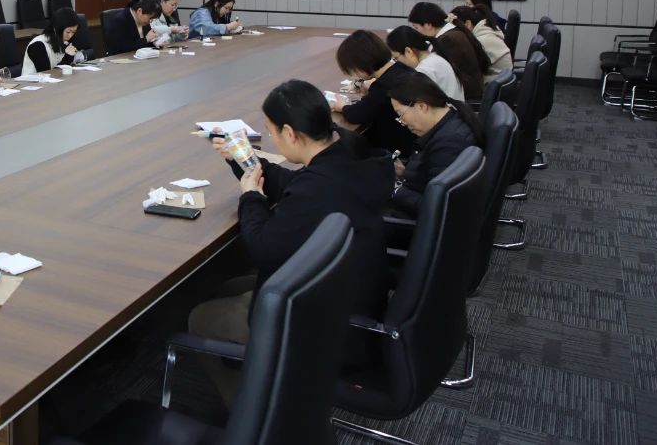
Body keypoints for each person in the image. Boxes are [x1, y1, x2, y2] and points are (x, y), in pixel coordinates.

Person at [188, 79, 392, 405]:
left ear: (290, 133)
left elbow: (262, 248)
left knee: (200, 317)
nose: (272, 138)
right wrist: (242, 160)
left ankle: (257, 415)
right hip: (348, 292)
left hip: (322, 324)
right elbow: (295, 184)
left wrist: (252, 197)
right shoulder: (345, 157)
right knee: (227, 287)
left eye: (272, 132)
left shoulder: (318, 188)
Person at [386, 72, 482, 217]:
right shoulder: (453, 122)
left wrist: (395, 191)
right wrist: (404, 173)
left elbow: (435, 205)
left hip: (411, 221)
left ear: (422, 106)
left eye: (400, 114)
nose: (402, 122)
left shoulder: (449, 144)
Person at [329, 30, 418, 158]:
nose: (355, 75)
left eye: (353, 69)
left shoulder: (383, 85)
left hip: (398, 150)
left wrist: (342, 106)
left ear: (360, 63)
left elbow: (358, 115)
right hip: (413, 142)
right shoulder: (400, 68)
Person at [408, 2, 488, 99]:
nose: (416, 32)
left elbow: (437, 72)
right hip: (466, 93)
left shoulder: (448, 40)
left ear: (428, 24)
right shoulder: (452, 33)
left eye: (416, 27)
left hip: (465, 98)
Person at [386, 26, 466, 101]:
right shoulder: (436, 58)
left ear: (408, 52)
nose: (398, 63)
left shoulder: (424, 70)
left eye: (396, 58)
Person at [22, 8, 87, 77]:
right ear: (56, 29)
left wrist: (70, 64)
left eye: (73, 32)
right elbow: (47, 75)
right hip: (34, 82)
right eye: (68, 32)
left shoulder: (64, 42)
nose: (70, 36)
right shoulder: (38, 45)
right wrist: (67, 58)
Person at [452, 4, 512, 76]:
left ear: (468, 24)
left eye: (455, 28)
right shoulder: (486, 31)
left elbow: (467, 69)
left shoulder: (481, 40)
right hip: (500, 79)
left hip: (493, 80)